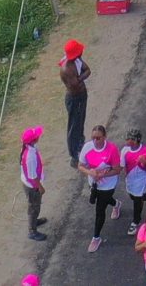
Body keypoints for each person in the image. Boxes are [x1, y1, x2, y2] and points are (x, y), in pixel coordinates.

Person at [79, 121, 122, 252]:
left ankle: (96, 238)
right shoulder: (87, 147)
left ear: (104, 137)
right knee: (101, 200)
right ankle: (116, 204)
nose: (95, 140)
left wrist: (104, 175)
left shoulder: (112, 149)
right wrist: (90, 172)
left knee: (100, 210)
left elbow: (117, 169)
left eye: (98, 138)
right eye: (93, 138)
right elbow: (80, 165)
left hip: (108, 185)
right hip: (94, 183)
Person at [59, 39, 89, 165]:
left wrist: (80, 77)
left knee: (80, 122)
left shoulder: (77, 60)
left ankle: (80, 146)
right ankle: (74, 155)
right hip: (75, 99)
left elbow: (88, 70)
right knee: (74, 127)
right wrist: (81, 77)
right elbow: (75, 85)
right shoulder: (66, 69)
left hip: (81, 96)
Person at [19, 126, 46, 240]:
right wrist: (40, 188)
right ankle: (32, 231)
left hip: (29, 183)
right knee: (34, 208)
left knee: (34, 206)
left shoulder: (29, 147)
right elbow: (33, 176)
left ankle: (34, 222)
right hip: (32, 187)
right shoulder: (30, 157)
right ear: (34, 140)